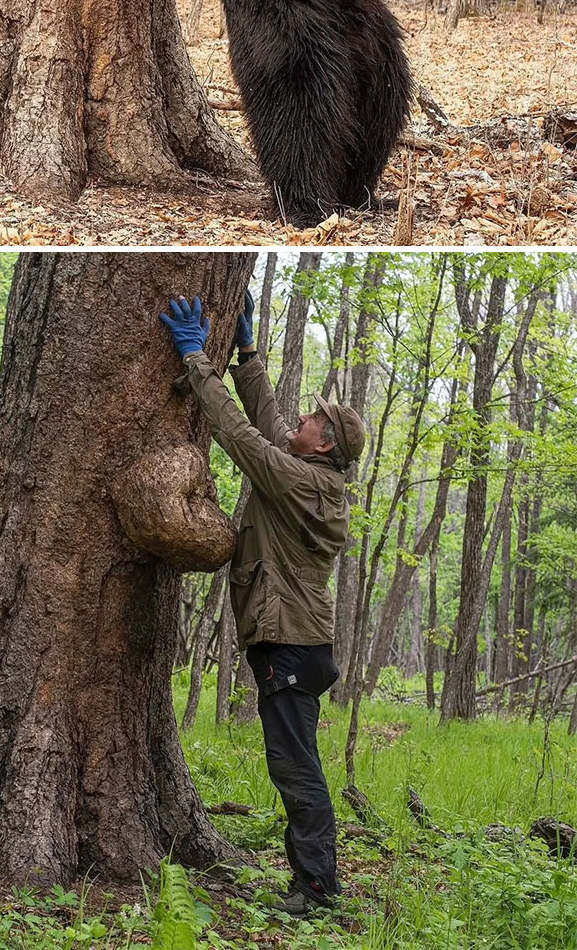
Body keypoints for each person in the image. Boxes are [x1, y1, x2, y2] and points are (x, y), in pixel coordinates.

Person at [159, 290, 365, 918]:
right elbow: (272, 423)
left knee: (295, 767)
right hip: (293, 639)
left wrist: (197, 360)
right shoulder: (310, 472)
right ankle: (314, 881)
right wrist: (247, 354)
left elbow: (245, 439)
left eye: (313, 419)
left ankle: (317, 889)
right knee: (294, 761)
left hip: (290, 645)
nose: (301, 418)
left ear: (324, 445)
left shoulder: (302, 481)